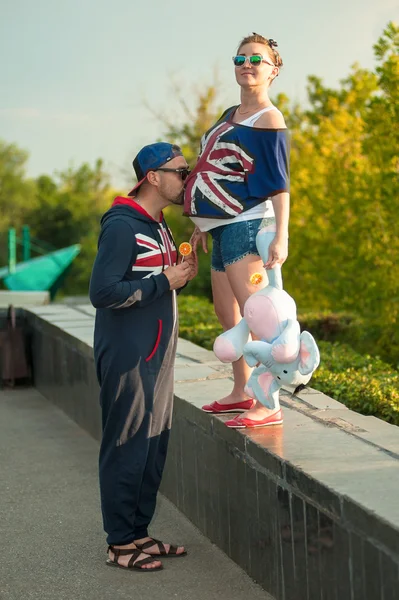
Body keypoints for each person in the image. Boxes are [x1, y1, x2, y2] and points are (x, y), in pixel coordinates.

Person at [89, 142, 196, 571]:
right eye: (180, 171)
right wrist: (163, 281)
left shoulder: (159, 224)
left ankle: (139, 533)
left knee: (153, 446)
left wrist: (179, 277)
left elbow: (158, 281)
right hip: (130, 356)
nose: (187, 179)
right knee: (126, 444)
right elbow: (103, 292)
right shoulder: (122, 225)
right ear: (153, 177)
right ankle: (118, 543)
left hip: (159, 355)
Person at [185, 33, 290, 429]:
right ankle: (241, 391)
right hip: (220, 229)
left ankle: (270, 401)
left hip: (248, 225)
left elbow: (279, 182)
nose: (247, 64)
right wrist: (200, 223)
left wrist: (282, 234)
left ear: (272, 70)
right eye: (241, 58)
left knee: (260, 318)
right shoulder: (230, 113)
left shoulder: (269, 118)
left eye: (257, 60)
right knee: (227, 314)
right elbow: (211, 169)